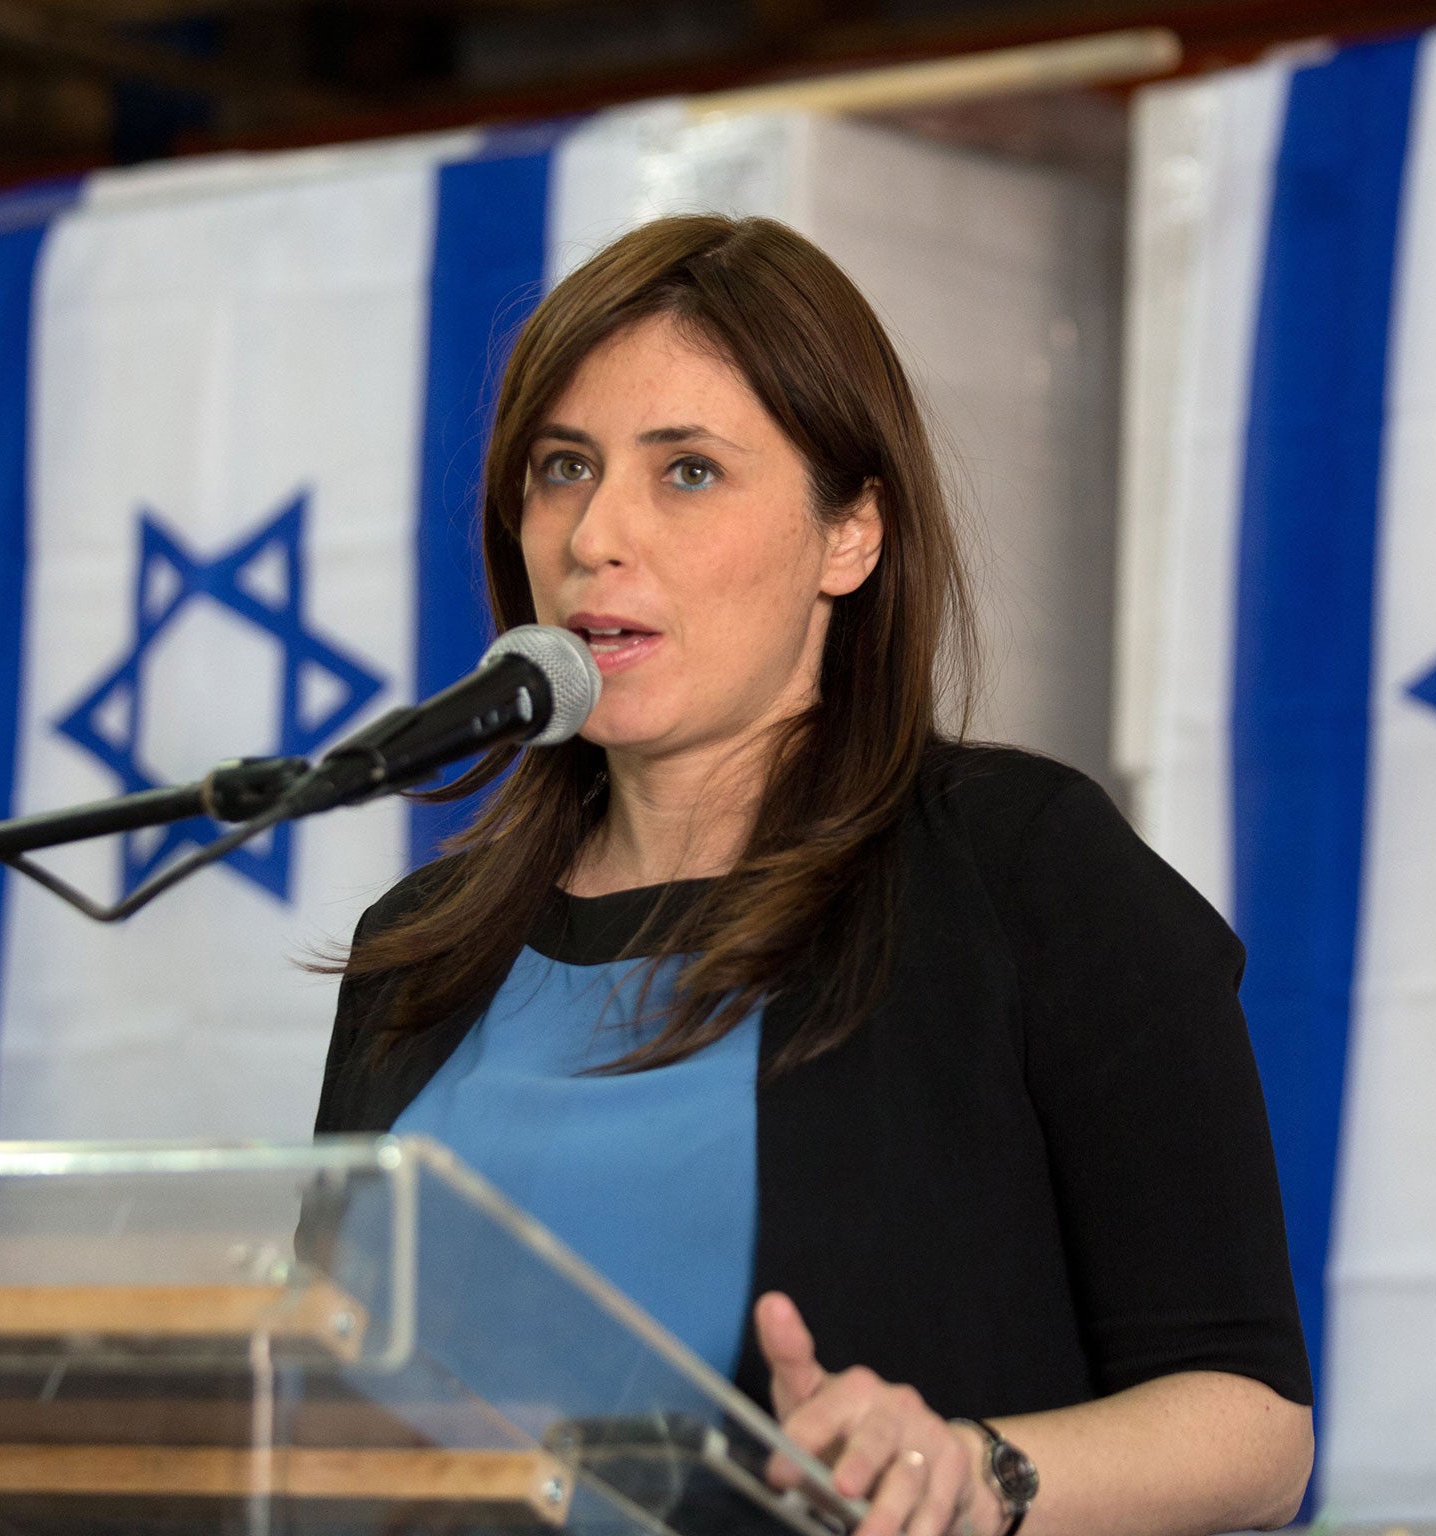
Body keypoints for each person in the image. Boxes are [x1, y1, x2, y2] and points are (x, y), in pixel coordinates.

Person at [315, 213, 1314, 1536]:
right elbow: (317, 1400)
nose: (595, 533)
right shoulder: (422, 945)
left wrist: (976, 1471)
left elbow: (1253, 1425)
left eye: (687, 473)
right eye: (564, 466)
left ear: (850, 535)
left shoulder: (1023, 871)